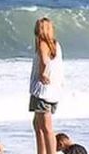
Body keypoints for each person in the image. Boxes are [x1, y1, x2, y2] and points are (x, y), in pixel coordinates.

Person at [29, 17, 64, 154]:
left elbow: (44, 61)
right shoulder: (56, 45)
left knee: (45, 127)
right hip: (53, 91)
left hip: (42, 91)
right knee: (38, 124)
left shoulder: (43, 43)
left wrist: (42, 73)